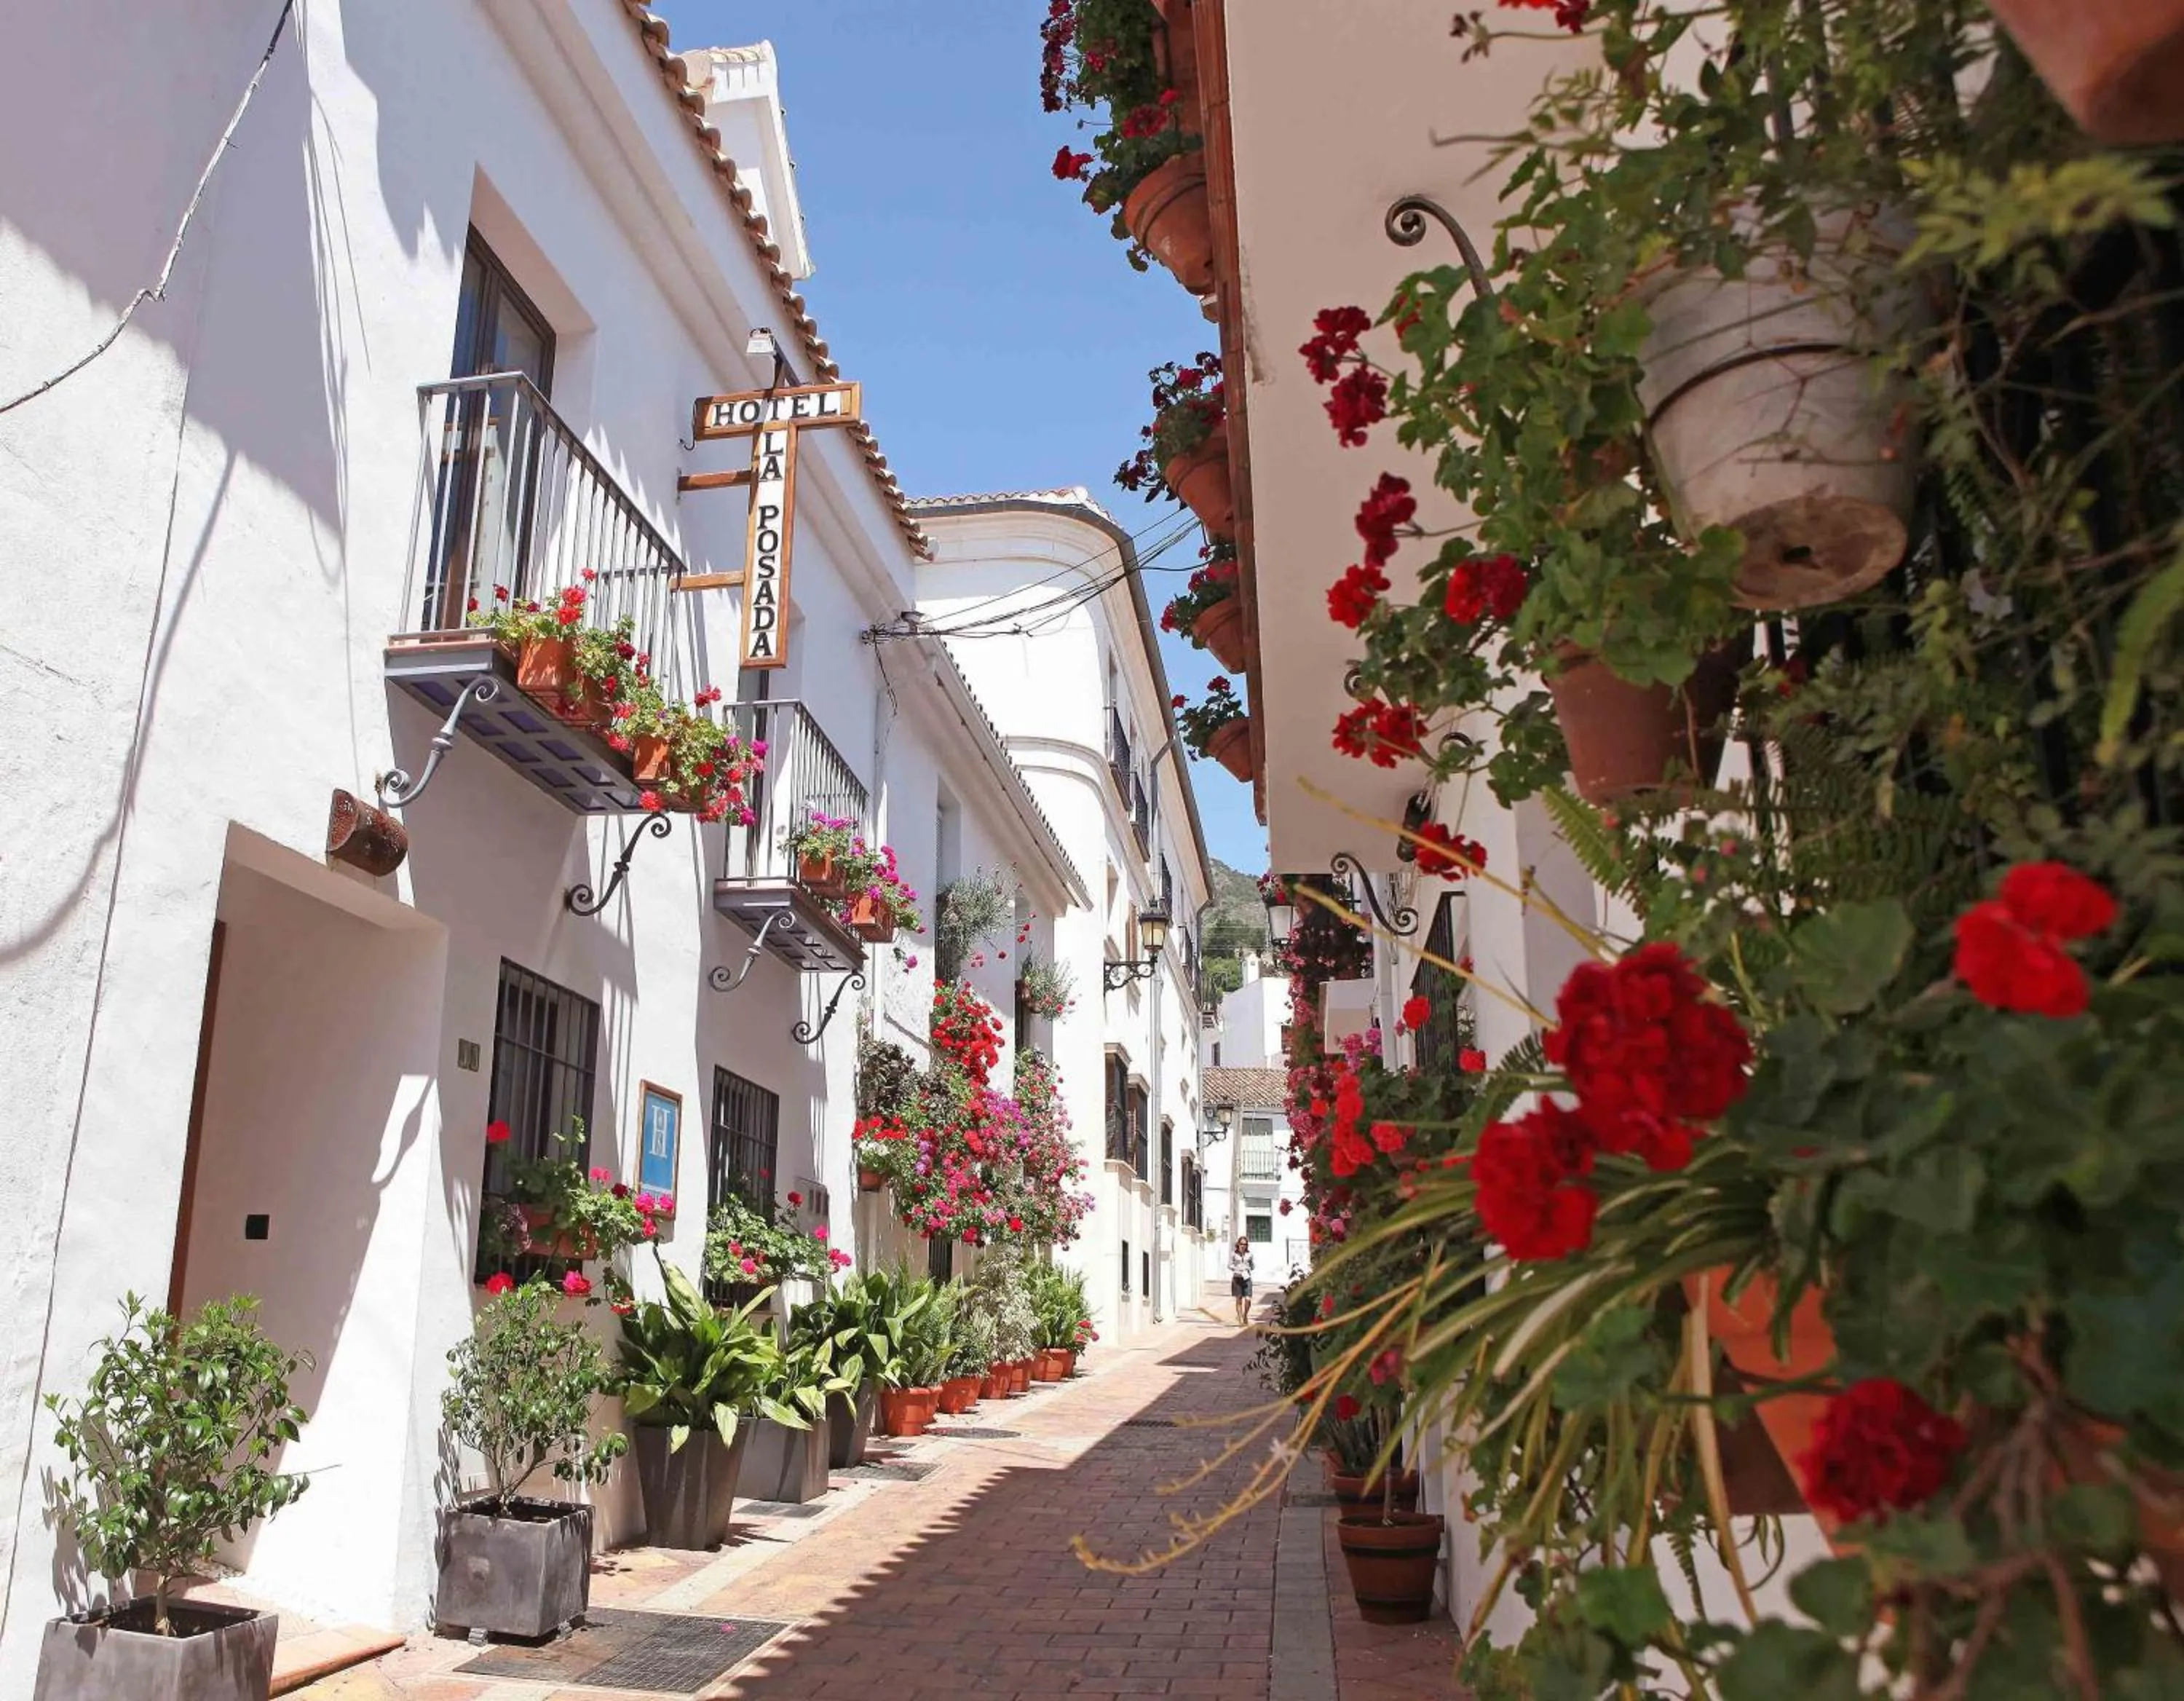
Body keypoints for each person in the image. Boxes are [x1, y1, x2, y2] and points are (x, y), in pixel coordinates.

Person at [1228, 1235, 1255, 1326]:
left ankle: (1245, 1315)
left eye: (1245, 1244)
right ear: (1238, 1244)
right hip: (1237, 1278)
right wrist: (1236, 1269)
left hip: (1247, 1278)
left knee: (1248, 1299)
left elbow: (1252, 1265)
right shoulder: (1234, 1254)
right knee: (1239, 1299)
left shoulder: (1250, 1255)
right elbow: (1229, 1265)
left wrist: (1249, 1268)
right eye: (1241, 1244)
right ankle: (1240, 1317)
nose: (1243, 1246)